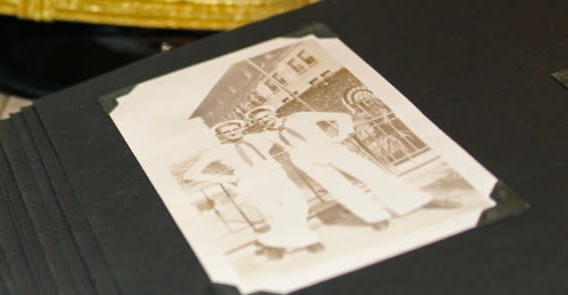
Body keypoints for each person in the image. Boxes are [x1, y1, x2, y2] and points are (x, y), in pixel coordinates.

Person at [245, 105, 431, 227]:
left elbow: (340, 116)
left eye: (265, 116)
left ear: (273, 113)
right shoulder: (265, 136)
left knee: (372, 175)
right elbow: (253, 151)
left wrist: (342, 135)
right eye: (259, 121)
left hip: (329, 149)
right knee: (340, 188)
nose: (264, 121)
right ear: (256, 124)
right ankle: (376, 218)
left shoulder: (299, 117)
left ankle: (410, 202)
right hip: (304, 159)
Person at [184, 120, 321, 256]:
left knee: (298, 205)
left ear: (241, 129)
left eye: (234, 129)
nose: (232, 133)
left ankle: (281, 240)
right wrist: (226, 178)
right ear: (220, 136)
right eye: (227, 132)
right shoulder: (216, 151)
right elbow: (191, 174)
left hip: (277, 177)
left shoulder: (257, 138)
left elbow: (281, 136)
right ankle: (304, 242)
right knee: (274, 213)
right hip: (252, 183)